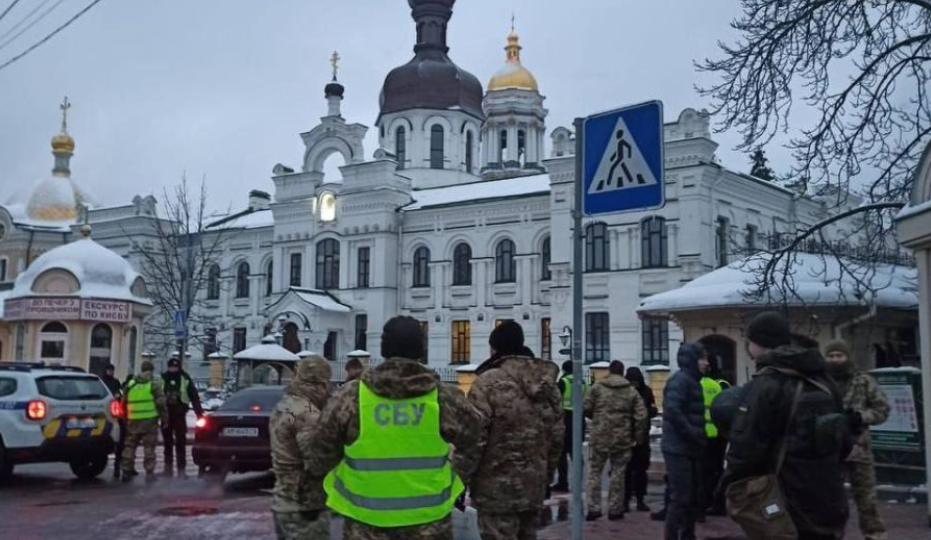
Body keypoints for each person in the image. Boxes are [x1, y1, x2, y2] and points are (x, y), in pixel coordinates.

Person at [307, 316, 482, 540]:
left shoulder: (351, 397)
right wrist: (455, 477)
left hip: (364, 522)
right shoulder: (444, 397)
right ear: (421, 348)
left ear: (383, 349)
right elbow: (474, 439)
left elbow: (318, 455)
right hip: (429, 523)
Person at [724, 311, 849, 540]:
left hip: (784, 500)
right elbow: (844, 440)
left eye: (749, 341)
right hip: (828, 496)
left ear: (759, 343)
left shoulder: (766, 385)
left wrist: (730, 484)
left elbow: (746, 448)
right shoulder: (824, 381)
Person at [467, 321, 564, 540]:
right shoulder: (548, 386)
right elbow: (557, 439)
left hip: (495, 493)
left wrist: (461, 480)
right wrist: (545, 478)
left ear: (496, 348)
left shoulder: (487, 383)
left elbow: (473, 438)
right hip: (533, 489)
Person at [824, 339, 890, 540]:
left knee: (866, 499)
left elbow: (882, 409)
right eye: (831, 356)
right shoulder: (820, 381)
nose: (835, 360)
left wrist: (861, 417)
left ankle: (875, 535)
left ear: (847, 357)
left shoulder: (863, 380)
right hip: (829, 448)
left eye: (839, 355)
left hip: (858, 446)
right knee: (830, 500)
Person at [270, 356, 332, 540]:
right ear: (320, 383)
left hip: (282, 500)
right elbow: (316, 461)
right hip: (305, 506)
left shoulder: (285, 405)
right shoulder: (308, 413)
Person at [583, 360, 648, 521]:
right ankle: (615, 509)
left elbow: (585, 407)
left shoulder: (597, 388)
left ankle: (593, 508)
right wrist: (638, 438)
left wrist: (597, 418)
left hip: (599, 436)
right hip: (622, 438)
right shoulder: (631, 391)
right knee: (618, 473)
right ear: (622, 372)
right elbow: (642, 416)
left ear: (609, 371)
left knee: (594, 473)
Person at [661, 342, 708, 540]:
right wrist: (693, 433)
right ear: (692, 360)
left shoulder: (692, 380)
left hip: (690, 447)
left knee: (692, 496)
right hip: (678, 448)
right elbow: (673, 410)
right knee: (680, 498)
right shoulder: (680, 381)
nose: (707, 363)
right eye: (703, 358)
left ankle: (688, 535)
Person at [121, 361, 167, 483]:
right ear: (151, 370)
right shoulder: (153, 384)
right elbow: (161, 403)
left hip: (133, 421)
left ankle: (126, 471)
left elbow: (123, 403)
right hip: (150, 421)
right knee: (149, 448)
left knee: (130, 446)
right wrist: (164, 418)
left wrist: (125, 418)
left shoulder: (131, 384)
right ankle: (149, 473)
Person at [160, 356, 204, 478]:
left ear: (178, 367)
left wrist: (199, 413)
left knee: (180, 443)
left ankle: (181, 470)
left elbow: (194, 396)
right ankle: (167, 469)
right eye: (171, 367)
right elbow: (157, 396)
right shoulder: (163, 378)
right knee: (167, 443)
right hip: (166, 415)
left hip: (179, 415)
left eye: (175, 367)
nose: (173, 369)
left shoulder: (185, 378)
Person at [624, 366, 658, 513]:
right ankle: (624, 501)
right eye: (631, 381)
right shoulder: (623, 392)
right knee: (626, 470)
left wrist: (645, 412)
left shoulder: (647, 391)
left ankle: (640, 499)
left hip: (642, 436)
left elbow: (653, 409)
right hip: (625, 436)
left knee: (641, 470)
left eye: (636, 381)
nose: (634, 384)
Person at [699, 355, 728, 517]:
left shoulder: (703, 383)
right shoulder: (723, 383)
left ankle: (707, 503)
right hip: (720, 433)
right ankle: (718, 503)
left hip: (705, 433)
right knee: (717, 470)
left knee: (705, 472)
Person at [554, 359, 587, 492]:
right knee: (576, 453)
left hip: (565, 418)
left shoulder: (563, 382)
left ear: (565, 370)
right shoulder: (583, 382)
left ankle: (563, 482)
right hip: (579, 418)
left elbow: (555, 400)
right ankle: (578, 482)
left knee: (561, 453)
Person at [100, 363, 126, 479]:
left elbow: (121, 395)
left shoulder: (116, 382)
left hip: (116, 413)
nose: (110, 372)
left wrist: (118, 396)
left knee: (120, 441)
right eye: (109, 370)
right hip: (103, 413)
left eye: (112, 370)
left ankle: (117, 465)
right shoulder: (101, 382)